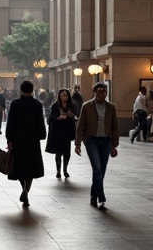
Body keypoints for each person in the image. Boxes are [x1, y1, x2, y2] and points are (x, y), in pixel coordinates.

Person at [74, 82, 120, 211]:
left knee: (102, 170)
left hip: (106, 142)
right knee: (97, 168)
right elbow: (81, 126)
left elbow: (115, 126)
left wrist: (114, 144)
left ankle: (93, 195)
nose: (102, 94)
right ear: (94, 92)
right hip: (91, 141)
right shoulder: (87, 106)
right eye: (99, 91)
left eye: (104, 91)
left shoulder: (111, 107)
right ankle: (101, 196)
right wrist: (78, 143)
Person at [5, 79, 46, 208]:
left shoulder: (15, 104)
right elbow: (41, 122)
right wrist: (42, 135)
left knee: (19, 166)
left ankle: (23, 187)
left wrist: (9, 139)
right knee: (31, 167)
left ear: (21, 90)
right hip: (32, 139)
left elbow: (10, 123)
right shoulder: (37, 104)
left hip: (18, 139)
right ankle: (26, 190)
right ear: (32, 90)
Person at [45, 87, 78, 178]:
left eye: (66, 95)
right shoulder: (55, 106)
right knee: (58, 152)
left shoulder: (72, 105)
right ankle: (58, 170)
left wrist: (68, 114)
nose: (64, 97)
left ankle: (65, 169)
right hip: (58, 132)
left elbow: (75, 115)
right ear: (59, 96)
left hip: (67, 132)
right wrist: (58, 117)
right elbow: (50, 119)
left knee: (67, 153)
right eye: (62, 95)